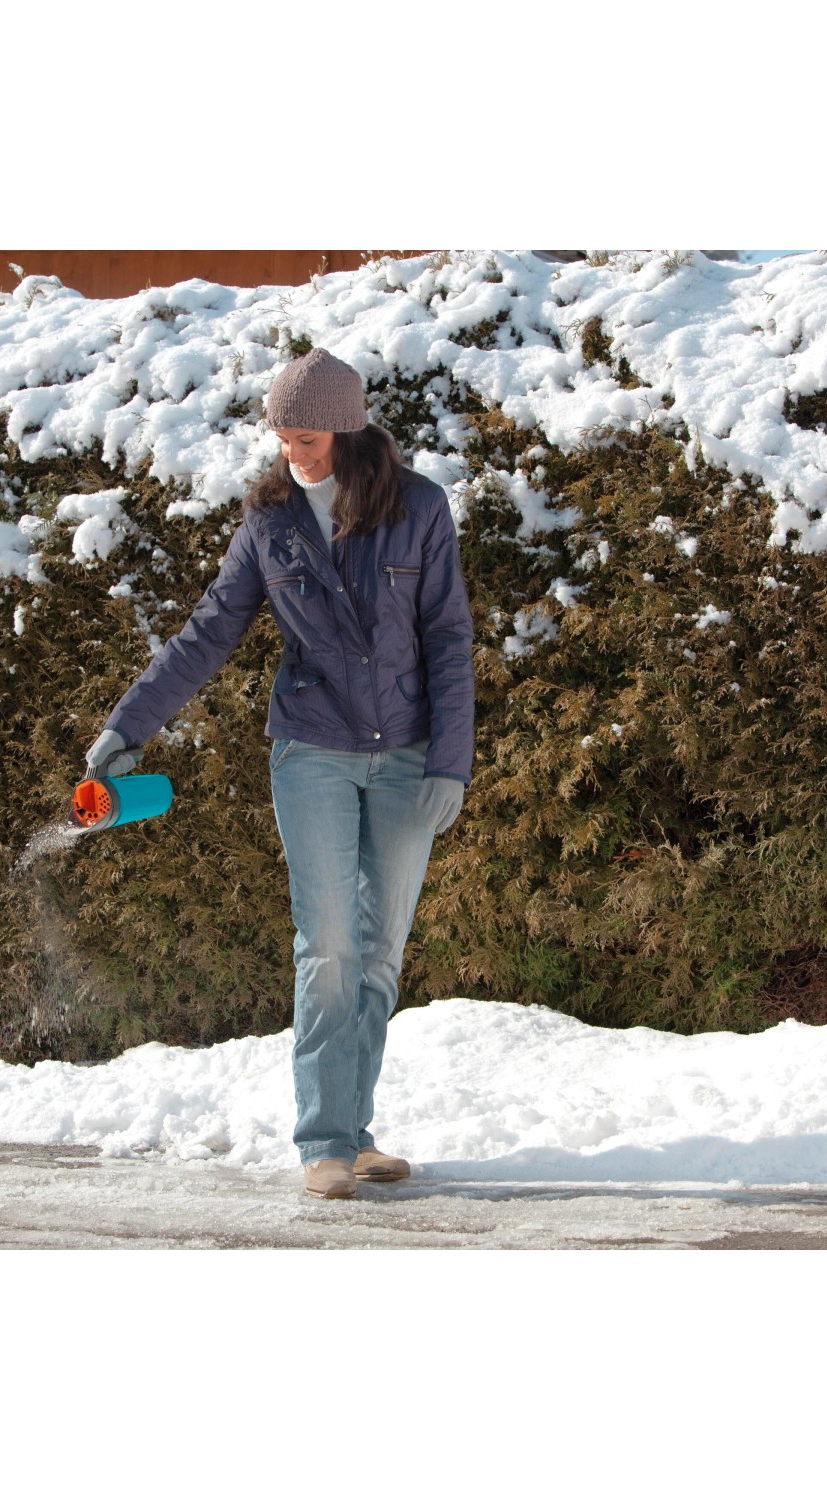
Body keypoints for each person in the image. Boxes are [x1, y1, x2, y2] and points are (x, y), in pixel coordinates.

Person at [86, 346, 475, 1200]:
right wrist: (129, 724)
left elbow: (448, 636)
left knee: (379, 953)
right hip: (313, 752)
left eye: (305, 439)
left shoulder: (418, 510)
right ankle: (324, 1143)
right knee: (330, 944)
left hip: (408, 754)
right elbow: (208, 633)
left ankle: (358, 1132)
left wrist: (451, 758)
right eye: (283, 439)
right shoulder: (269, 524)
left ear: (345, 429)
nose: (291, 454)